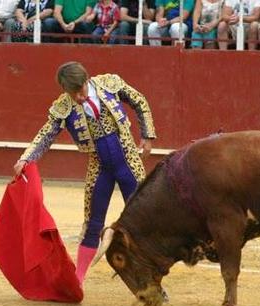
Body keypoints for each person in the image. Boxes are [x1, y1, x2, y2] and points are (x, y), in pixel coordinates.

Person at [13, 61, 156, 290]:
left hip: (128, 158)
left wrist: (147, 135)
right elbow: (46, 134)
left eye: (81, 91)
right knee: (92, 223)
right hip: (99, 166)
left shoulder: (109, 84)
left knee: (145, 219)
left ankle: (152, 280)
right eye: (73, 93)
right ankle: (78, 280)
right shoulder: (64, 106)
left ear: (87, 80)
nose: (79, 97)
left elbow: (139, 101)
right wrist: (26, 158)